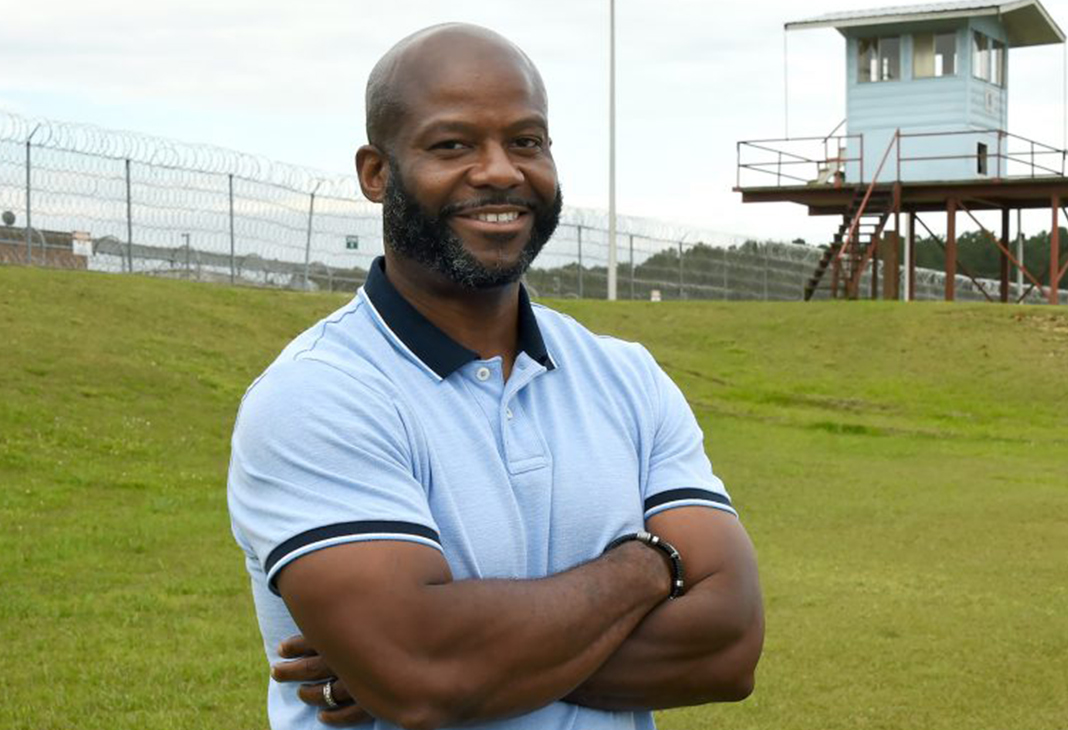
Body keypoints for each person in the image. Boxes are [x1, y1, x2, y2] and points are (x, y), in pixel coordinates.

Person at [226, 23, 764, 730]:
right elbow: (427, 676)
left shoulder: (626, 378)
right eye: (453, 144)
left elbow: (728, 648)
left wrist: (459, 666)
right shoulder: (316, 395)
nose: (501, 171)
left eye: (526, 141)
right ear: (376, 172)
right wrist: (648, 567)